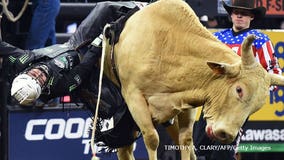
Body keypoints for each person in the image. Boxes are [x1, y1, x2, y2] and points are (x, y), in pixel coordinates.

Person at [193, 0, 282, 160]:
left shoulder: (261, 40)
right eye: (236, 12)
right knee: (200, 149)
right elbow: (203, 70)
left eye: (245, 12)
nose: (239, 15)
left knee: (222, 152)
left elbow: (273, 72)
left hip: (236, 107)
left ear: (252, 16)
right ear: (231, 15)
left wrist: (253, 95)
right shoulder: (216, 38)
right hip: (212, 103)